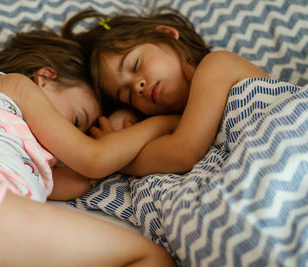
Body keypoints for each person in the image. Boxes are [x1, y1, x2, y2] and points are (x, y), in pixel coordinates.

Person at [0, 27, 178, 266]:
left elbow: (77, 180)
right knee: (150, 257)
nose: (72, 139)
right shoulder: (14, 85)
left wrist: (111, 141)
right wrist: (162, 123)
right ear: (45, 78)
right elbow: (93, 160)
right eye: (76, 120)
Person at [62, 8, 270, 176]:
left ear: (167, 35)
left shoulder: (217, 65)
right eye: (127, 95)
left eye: (135, 65)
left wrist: (115, 159)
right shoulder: (179, 124)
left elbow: (182, 153)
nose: (137, 86)